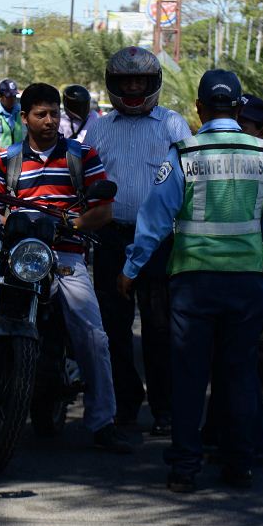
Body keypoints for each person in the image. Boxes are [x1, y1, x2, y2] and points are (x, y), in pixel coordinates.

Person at [0, 82, 134, 453]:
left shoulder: (82, 156)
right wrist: (1, 222)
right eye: (41, 114)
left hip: (65, 258)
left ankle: (103, 421)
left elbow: (103, 210)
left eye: (55, 113)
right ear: (25, 118)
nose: (50, 121)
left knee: (93, 334)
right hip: (13, 256)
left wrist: (72, 225)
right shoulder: (7, 159)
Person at [118, 69, 263, 492]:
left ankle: (185, 467)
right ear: (237, 106)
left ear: (199, 108)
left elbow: (155, 219)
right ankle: (239, 463)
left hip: (193, 284)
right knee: (240, 374)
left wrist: (131, 269)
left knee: (190, 375)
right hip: (246, 284)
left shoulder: (183, 154)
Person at [83, 46, 191, 435]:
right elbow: (84, 180)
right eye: (125, 81)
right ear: (113, 84)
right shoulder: (98, 127)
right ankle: (125, 403)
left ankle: (164, 409)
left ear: (152, 84)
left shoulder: (173, 126)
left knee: (162, 330)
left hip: (161, 244)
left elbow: (190, 184)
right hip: (110, 240)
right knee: (112, 329)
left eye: (139, 81)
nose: (132, 87)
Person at [201, 91, 263, 466]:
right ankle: (225, 438)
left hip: (255, 280)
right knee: (228, 364)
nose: (238, 129)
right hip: (237, 279)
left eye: (246, 124)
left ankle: (247, 444)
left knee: (239, 367)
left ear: (262, 131)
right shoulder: (244, 160)